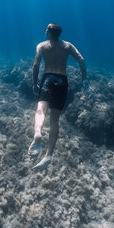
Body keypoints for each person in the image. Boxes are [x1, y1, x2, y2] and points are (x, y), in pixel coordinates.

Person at [28, 23, 88, 171]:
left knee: (41, 110)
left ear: (48, 33)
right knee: (55, 120)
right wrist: (84, 78)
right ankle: (48, 155)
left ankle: (37, 134)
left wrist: (35, 83)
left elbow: (36, 65)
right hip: (62, 81)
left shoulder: (41, 46)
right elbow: (82, 60)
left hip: (48, 79)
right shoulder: (67, 46)